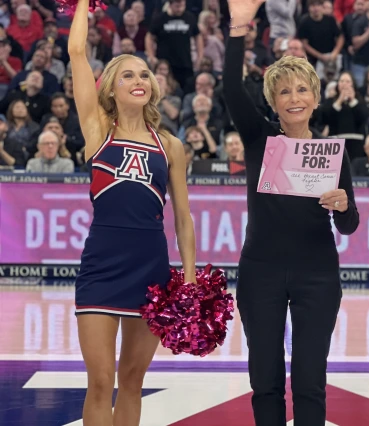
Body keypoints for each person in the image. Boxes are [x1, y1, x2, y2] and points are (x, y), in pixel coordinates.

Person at [224, 1, 360, 425]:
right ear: (273, 100)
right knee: (263, 380)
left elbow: (350, 224)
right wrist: (238, 29)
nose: (294, 98)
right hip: (260, 271)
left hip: (317, 273)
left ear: (316, 98)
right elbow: (230, 88)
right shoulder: (258, 138)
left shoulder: (331, 154)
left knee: (309, 380)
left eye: (302, 89)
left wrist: (342, 206)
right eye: (284, 91)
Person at [68, 0, 196, 425]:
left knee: (133, 378)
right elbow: (77, 53)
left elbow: (183, 218)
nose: (139, 79)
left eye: (145, 73)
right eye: (128, 74)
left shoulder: (170, 146)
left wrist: (190, 278)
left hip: (151, 270)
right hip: (102, 265)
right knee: (101, 380)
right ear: (111, 87)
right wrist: (83, 4)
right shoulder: (97, 130)